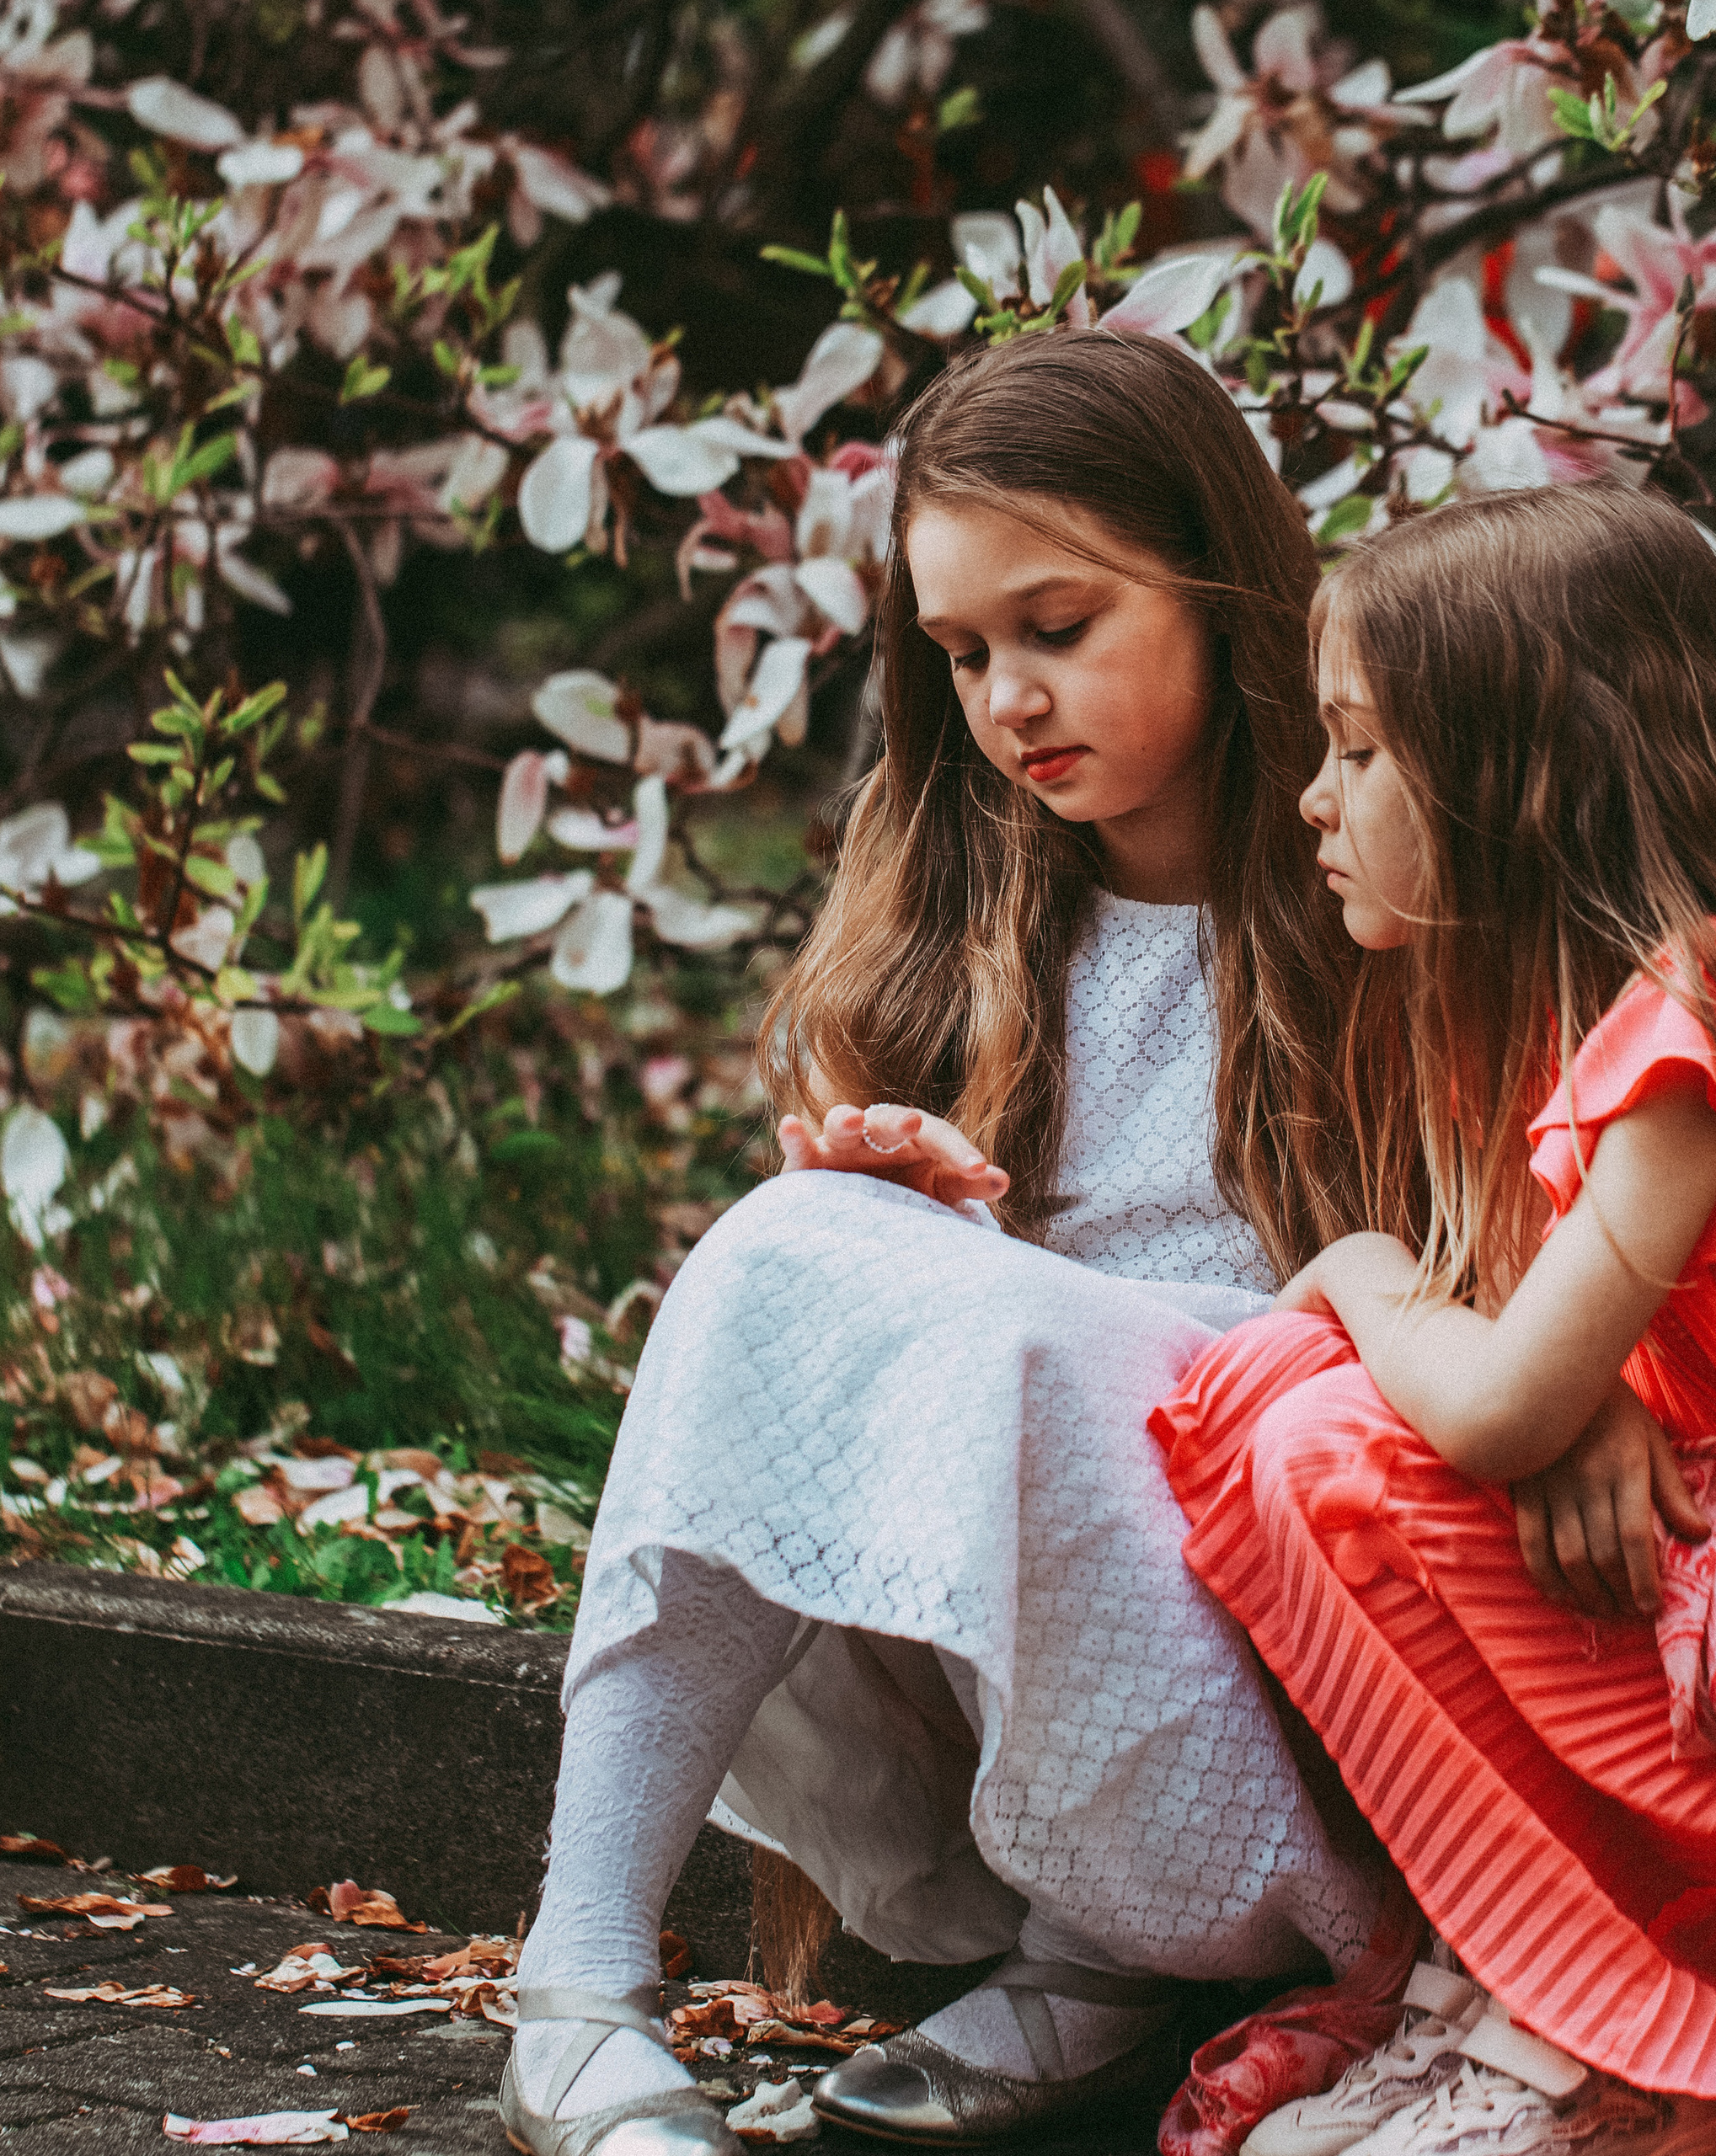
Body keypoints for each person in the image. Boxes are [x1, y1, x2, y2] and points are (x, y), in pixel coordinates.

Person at [499, 330, 1405, 2156]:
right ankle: (575, 1978)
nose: (1006, 696)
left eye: (1057, 625)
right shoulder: (958, 897)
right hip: (993, 1664)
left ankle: (1101, 1966)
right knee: (783, 1245)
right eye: (964, 650)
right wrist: (900, 1212)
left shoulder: (1379, 879)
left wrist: (1005, 1309)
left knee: (1024, 1345)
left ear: (1222, 585)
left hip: (1267, 1672)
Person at [1151, 480, 1716, 2156]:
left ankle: (1604, 2050)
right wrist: (1545, 1391)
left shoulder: (1701, 1001)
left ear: (1522, 776)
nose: (1314, 800)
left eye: (1361, 751)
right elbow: (1548, 1385)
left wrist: (1371, 1265)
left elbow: (1492, 1408)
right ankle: (1506, 1985)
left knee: (1313, 1416)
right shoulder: (1545, 1013)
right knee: (1278, 1391)